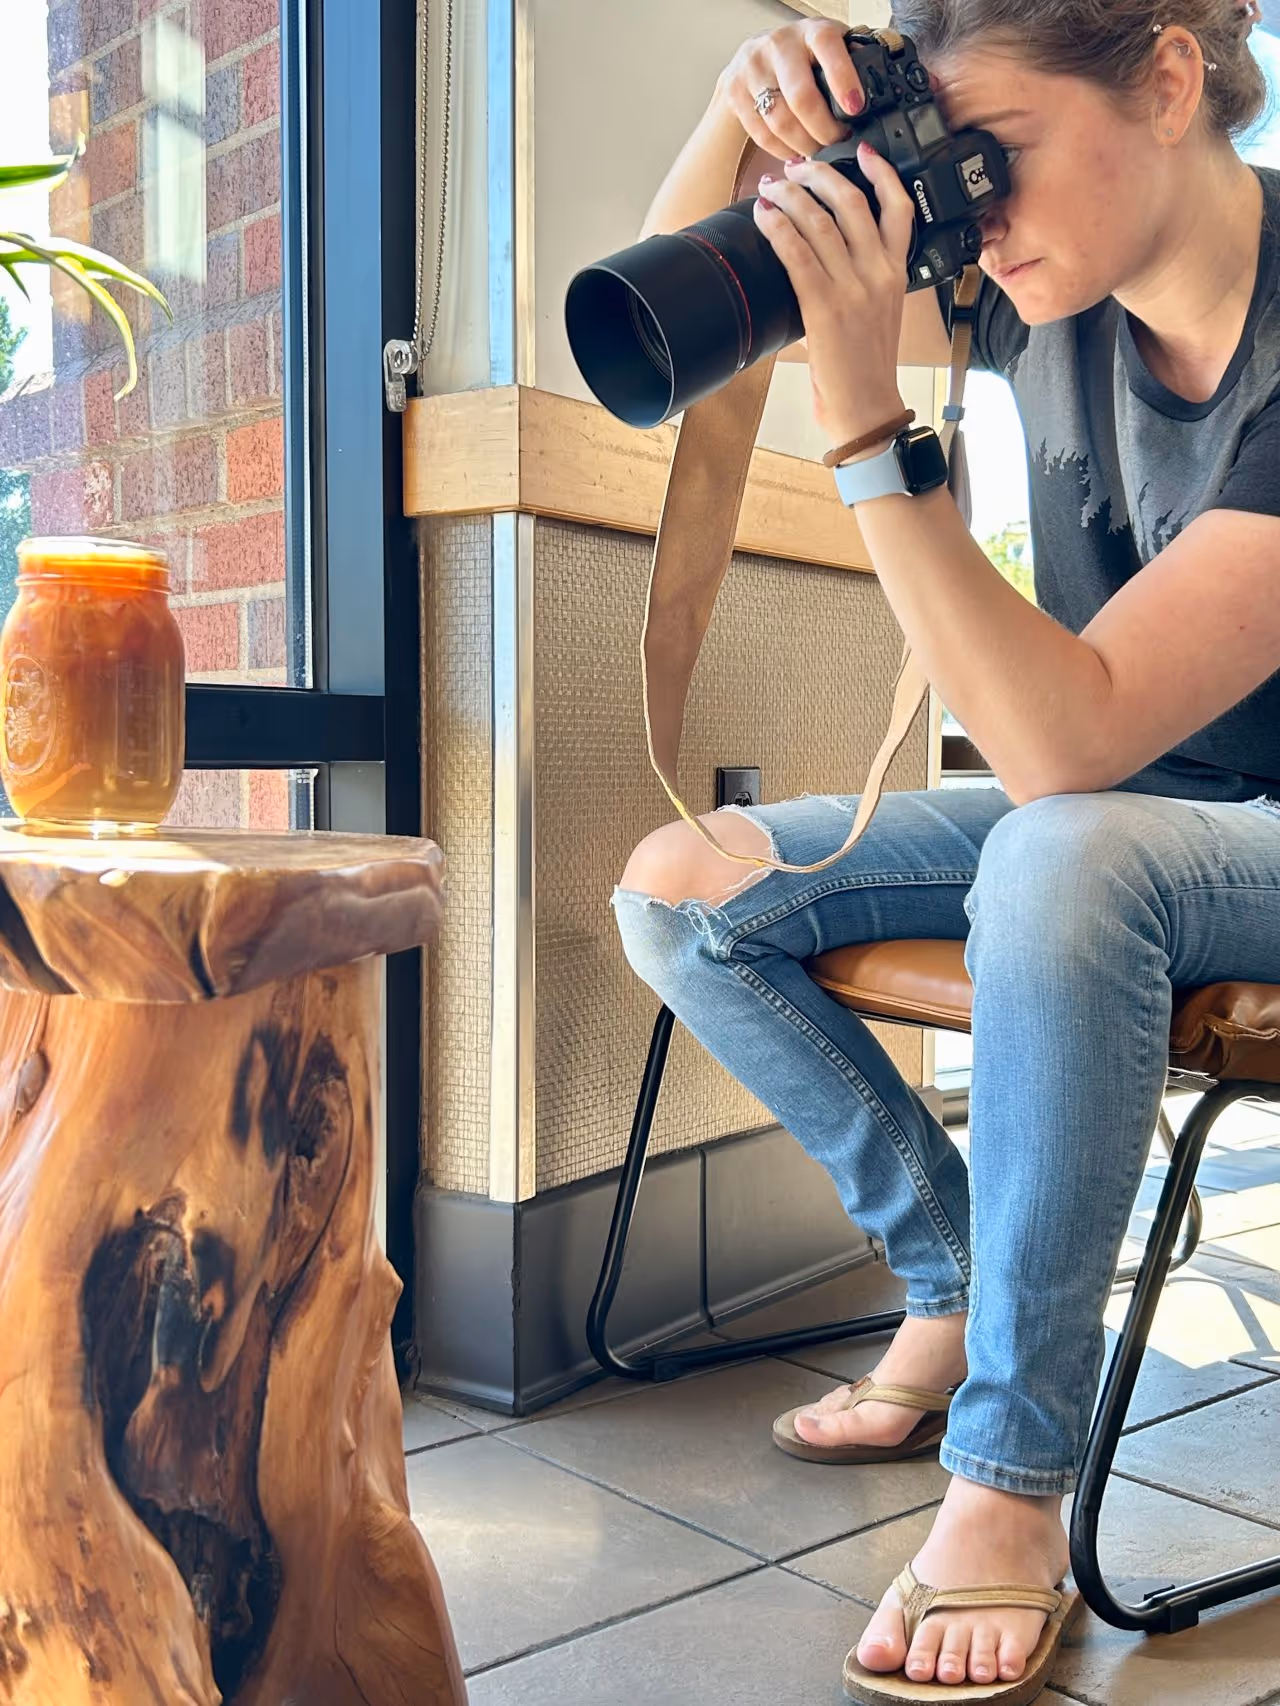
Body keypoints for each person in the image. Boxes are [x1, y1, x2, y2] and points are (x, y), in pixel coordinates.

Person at [611, 2, 1280, 1701]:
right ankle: (952, 1268)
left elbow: (1069, 742)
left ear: (1173, 75)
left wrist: (860, 434)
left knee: (1061, 855)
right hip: (1122, 808)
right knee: (688, 886)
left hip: (1199, 820)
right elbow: (666, 319)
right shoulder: (1042, 273)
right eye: (952, 171)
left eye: (1003, 157)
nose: (969, 221)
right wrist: (745, 120)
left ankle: (1010, 1472)